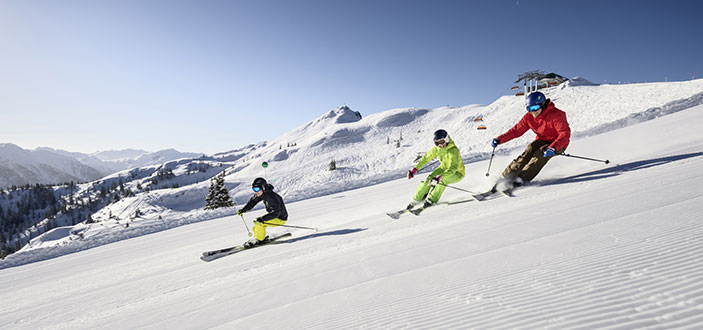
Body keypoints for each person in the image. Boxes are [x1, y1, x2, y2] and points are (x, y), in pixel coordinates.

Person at [491, 91, 571, 188]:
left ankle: (521, 179)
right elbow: (516, 131)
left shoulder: (556, 114)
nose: (533, 112)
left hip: (559, 143)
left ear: (543, 104)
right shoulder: (529, 117)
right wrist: (500, 139)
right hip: (542, 140)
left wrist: (553, 147)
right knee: (529, 150)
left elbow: (564, 134)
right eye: (529, 109)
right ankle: (506, 177)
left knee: (540, 154)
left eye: (535, 108)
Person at [407, 129, 465, 209]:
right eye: (437, 143)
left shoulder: (453, 150)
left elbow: (453, 168)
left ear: (446, 139)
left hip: (457, 173)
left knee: (442, 181)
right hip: (443, 169)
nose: (440, 145)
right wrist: (415, 169)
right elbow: (426, 158)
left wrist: (439, 177)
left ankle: (431, 200)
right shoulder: (437, 149)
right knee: (429, 179)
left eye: (441, 142)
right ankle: (416, 200)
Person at [236, 177, 288, 247]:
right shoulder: (263, 193)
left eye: (257, 189)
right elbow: (253, 201)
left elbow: (276, 213)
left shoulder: (271, 197)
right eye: (254, 189)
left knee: (260, 223)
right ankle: (257, 238)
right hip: (275, 216)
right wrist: (243, 209)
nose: (255, 191)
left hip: (280, 218)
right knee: (256, 223)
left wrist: (262, 219)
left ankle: (259, 239)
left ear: (263, 188)